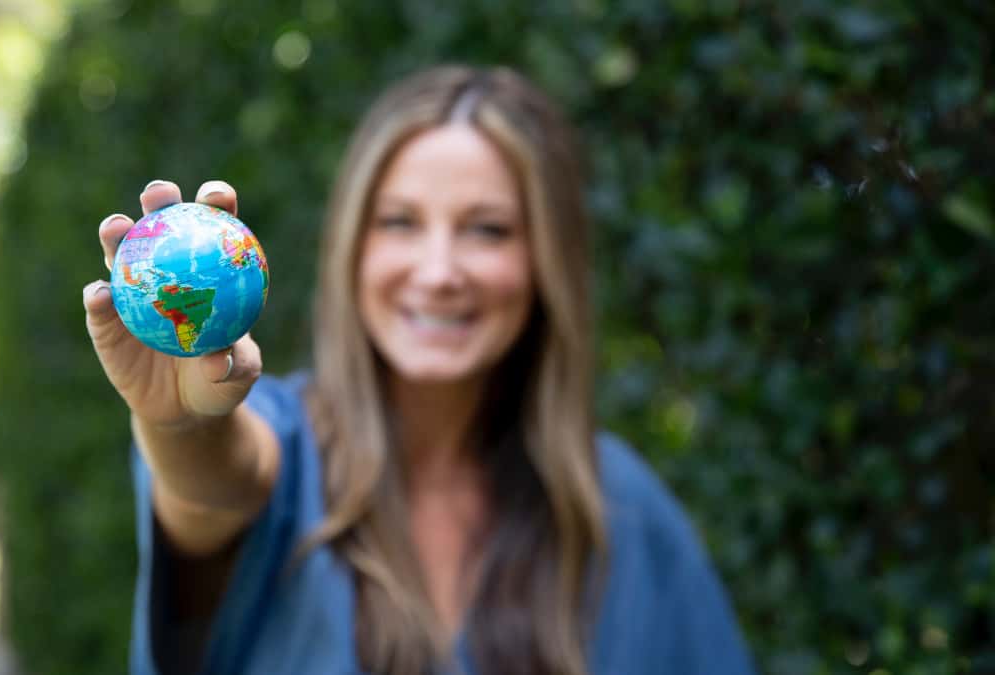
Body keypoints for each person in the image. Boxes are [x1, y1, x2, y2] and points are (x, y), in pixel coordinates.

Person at [82, 65, 756, 675]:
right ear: (353, 246)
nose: (437, 273)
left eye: (487, 229)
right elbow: (214, 483)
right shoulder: (286, 447)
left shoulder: (625, 511)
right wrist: (179, 424)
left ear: (547, 259)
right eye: (399, 222)